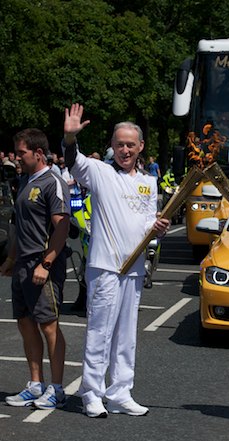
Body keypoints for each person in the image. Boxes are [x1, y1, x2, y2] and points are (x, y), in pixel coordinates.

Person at [63, 103, 170, 418]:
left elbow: (150, 230)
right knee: (100, 331)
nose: (125, 149)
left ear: (140, 147)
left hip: (134, 269)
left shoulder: (149, 183)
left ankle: (121, 392)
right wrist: (70, 138)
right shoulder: (100, 173)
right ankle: (92, 393)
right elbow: (73, 160)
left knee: (126, 334)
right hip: (106, 268)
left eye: (130, 144)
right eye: (119, 144)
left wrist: (159, 231)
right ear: (112, 146)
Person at [0, 128, 70, 409]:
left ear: (38, 153)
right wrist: (11, 259)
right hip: (23, 265)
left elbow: (62, 226)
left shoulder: (53, 181)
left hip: (43, 265)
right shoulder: (27, 180)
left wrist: (46, 263)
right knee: (25, 323)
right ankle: (35, 384)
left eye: (21, 153)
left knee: (49, 326)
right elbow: (19, 225)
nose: (17, 158)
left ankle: (57, 388)